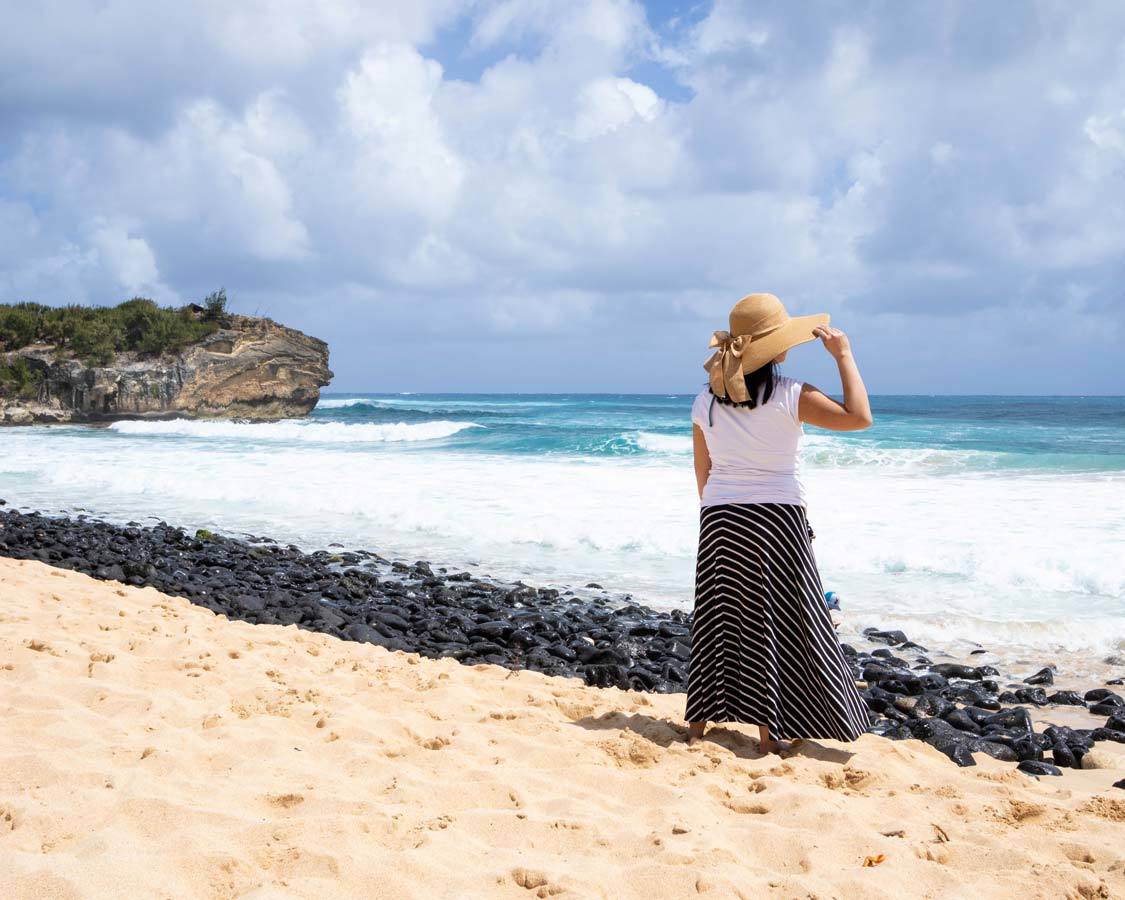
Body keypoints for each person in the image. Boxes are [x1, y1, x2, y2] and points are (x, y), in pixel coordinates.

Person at [684, 293, 873, 753]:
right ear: (774, 349)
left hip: (721, 519)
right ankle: (770, 733)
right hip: (777, 519)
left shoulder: (704, 400)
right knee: (783, 621)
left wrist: (723, 512)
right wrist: (844, 356)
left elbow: (703, 474)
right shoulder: (792, 394)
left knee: (720, 620)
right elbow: (860, 418)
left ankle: (698, 727)